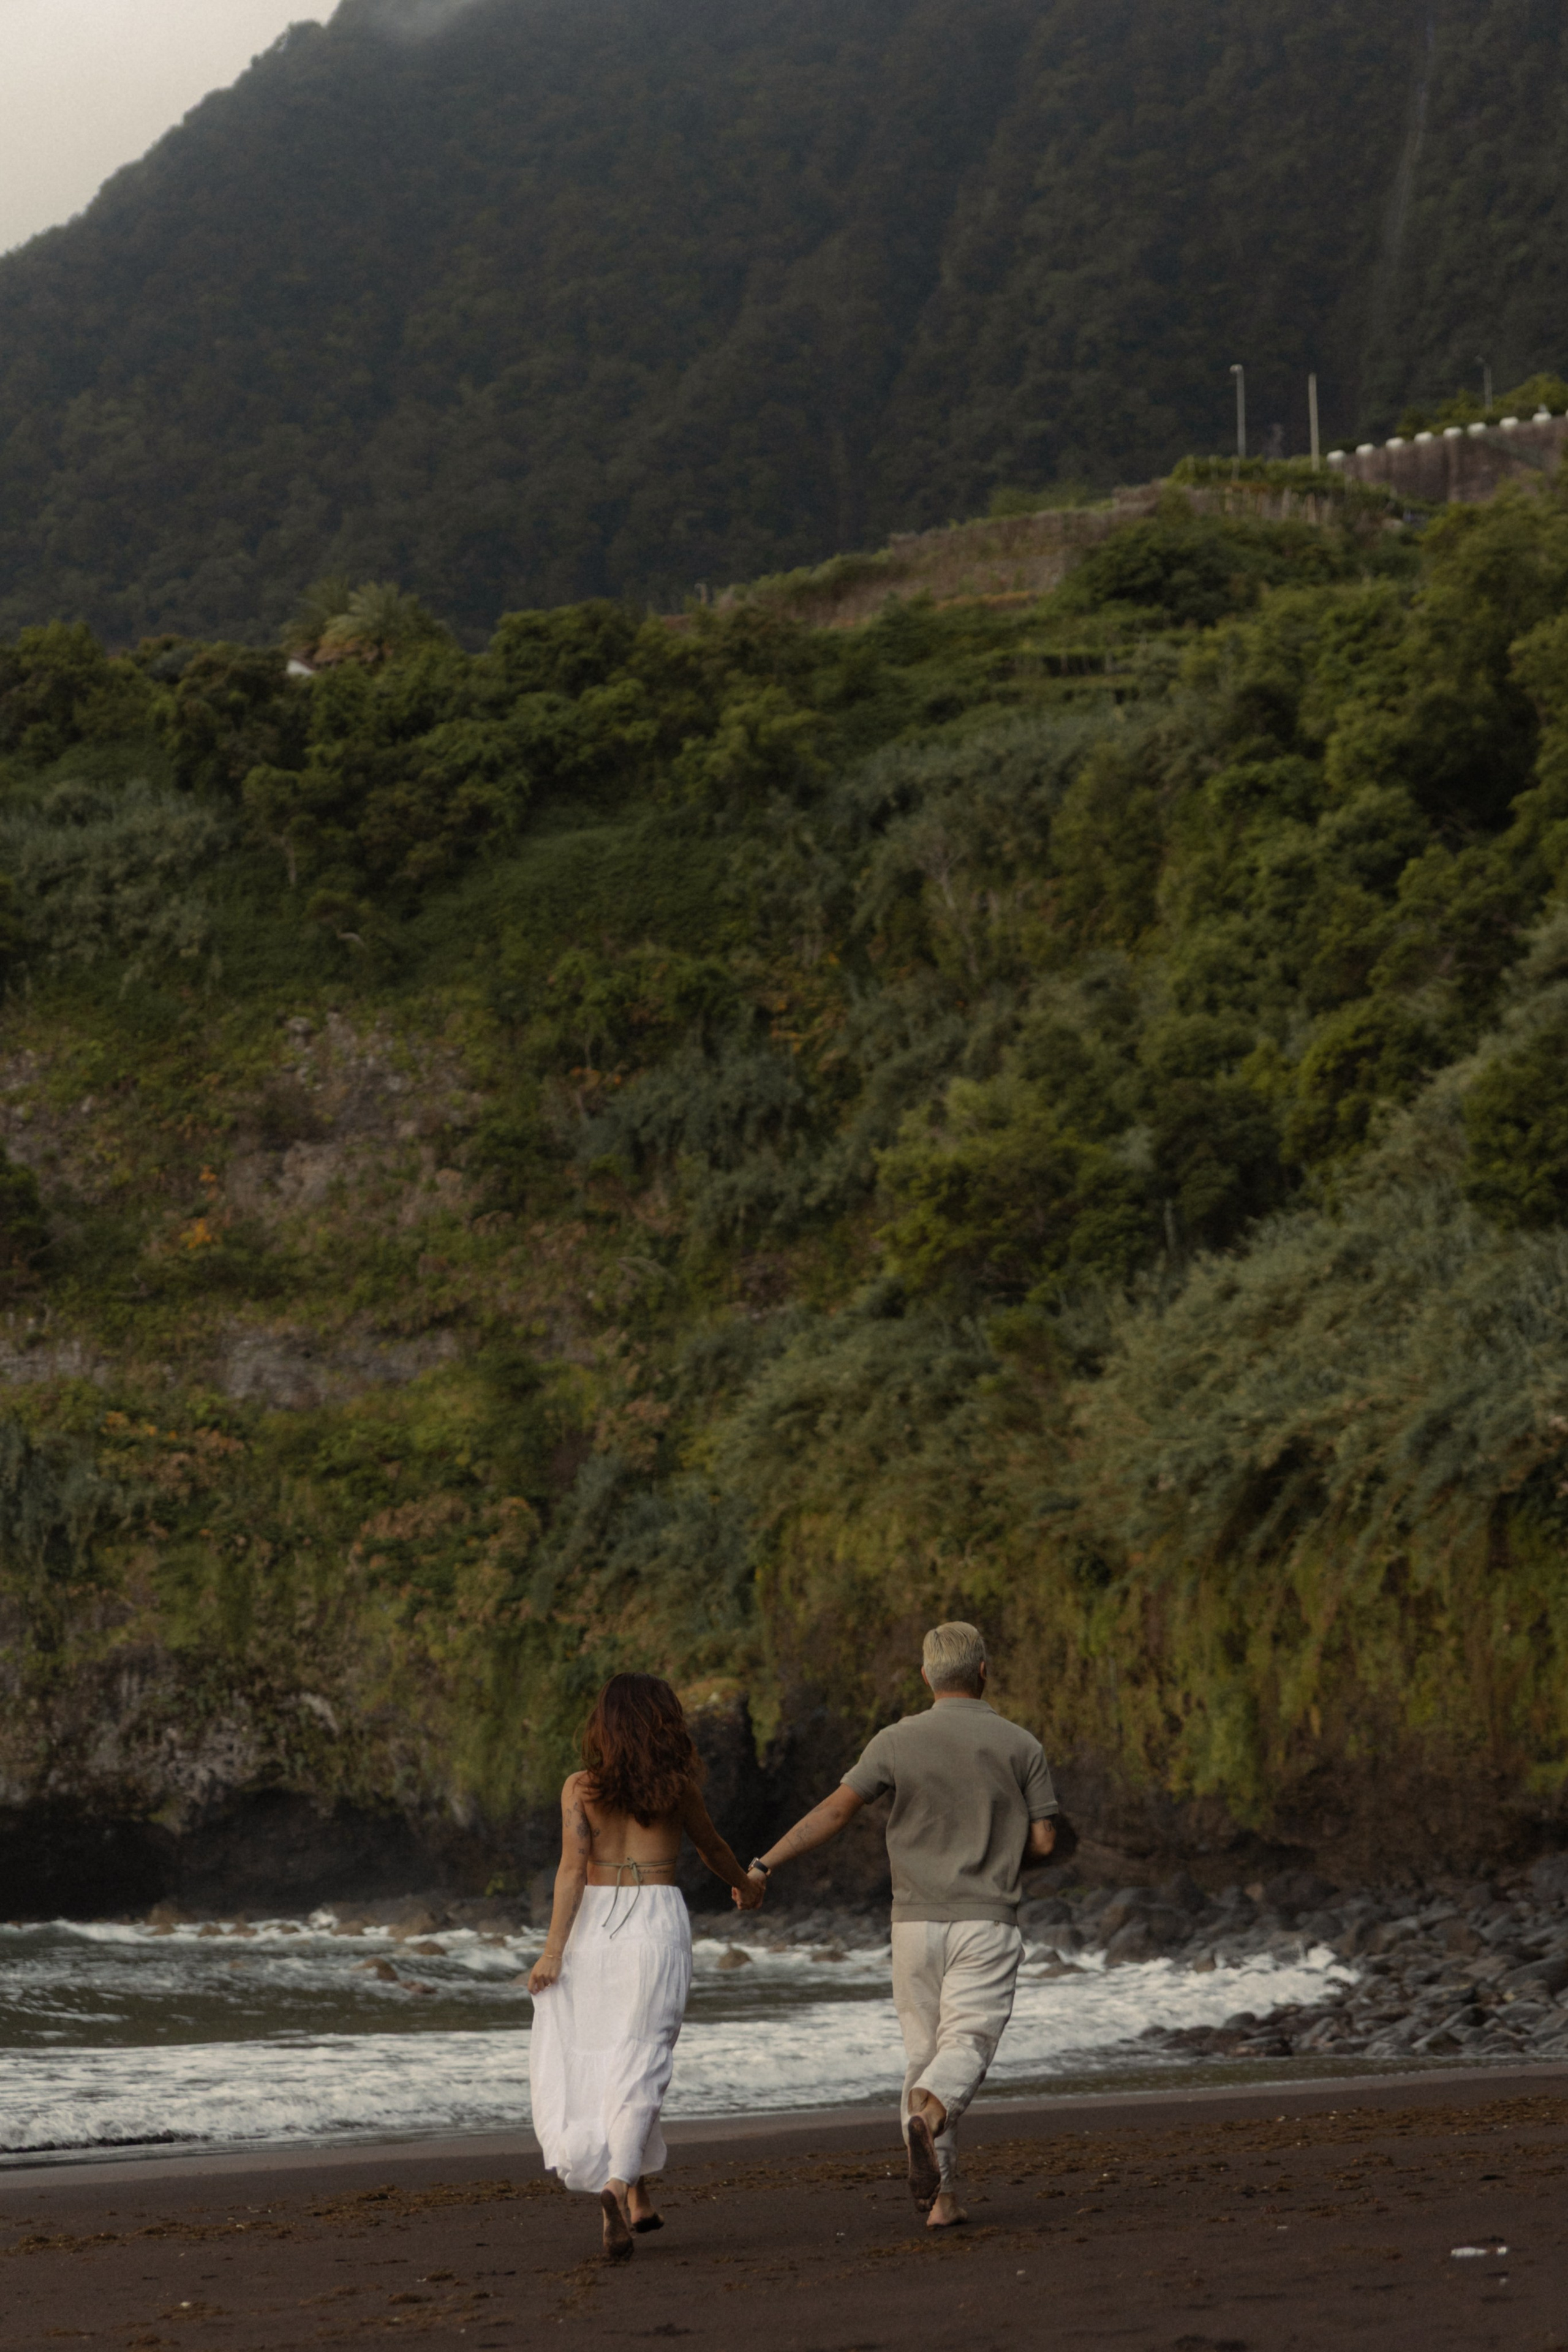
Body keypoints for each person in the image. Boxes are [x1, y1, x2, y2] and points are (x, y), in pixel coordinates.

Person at [737, 1623, 1058, 2230]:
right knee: (966, 2045)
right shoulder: (1021, 1745)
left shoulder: (893, 1741)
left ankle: (942, 2199)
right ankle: (930, 2117)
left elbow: (835, 1810)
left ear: (925, 1677)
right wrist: (1008, 1842)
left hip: (912, 1924)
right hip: (984, 1920)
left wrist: (763, 1864)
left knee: (922, 2053)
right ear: (984, 1671)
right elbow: (1043, 1839)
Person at [529, 1672, 766, 2260]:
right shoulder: (678, 1787)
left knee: (611, 2056)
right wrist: (747, 1885)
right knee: (644, 2058)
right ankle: (617, 2184)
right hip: (654, 1922)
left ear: (604, 1726)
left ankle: (637, 2195)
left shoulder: (580, 1787)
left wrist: (553, 1950)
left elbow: (570, 1870)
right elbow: (712, 1848)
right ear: (663, 1724)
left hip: (593, 1929)